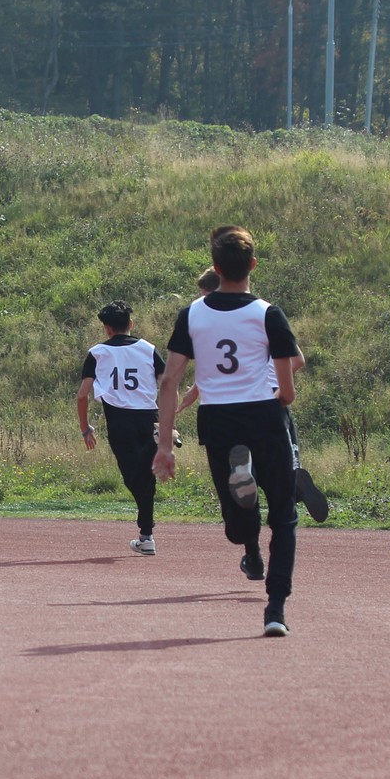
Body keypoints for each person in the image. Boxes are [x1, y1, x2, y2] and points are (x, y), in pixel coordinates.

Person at [155, 227, 304, 638]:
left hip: (217, 420)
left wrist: (165, 446)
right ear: (252, 265)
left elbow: (170, 381)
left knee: (236, 521)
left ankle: (249, 543)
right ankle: (275, 609)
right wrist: (280, 397)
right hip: (263, 416)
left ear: (216, 269)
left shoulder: (193, 314)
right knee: (285, 517)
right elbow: (288, 388)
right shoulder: (267, 313)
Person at [180, 267, 329, 525]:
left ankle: (260, 488)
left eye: (204, 295)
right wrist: (276, 379)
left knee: (244, 465)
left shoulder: (214, 320)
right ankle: (292, 484)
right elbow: (299, 360)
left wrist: (191, 395)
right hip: (272, 399)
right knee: (280, 461)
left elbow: (217, 371)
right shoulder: (265, 314)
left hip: (242, 401)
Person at [77, 301, 166, 555]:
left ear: (106, 329)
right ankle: (146, 535)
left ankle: (146, 535)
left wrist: (86, 428)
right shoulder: (149, 349)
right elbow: (168, 385)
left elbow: (82, 395)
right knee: (144, 478)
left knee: (135, 478)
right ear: (131, 324)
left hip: (119, 421)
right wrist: (170, 421)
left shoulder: (97, 352)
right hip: (151, 418)